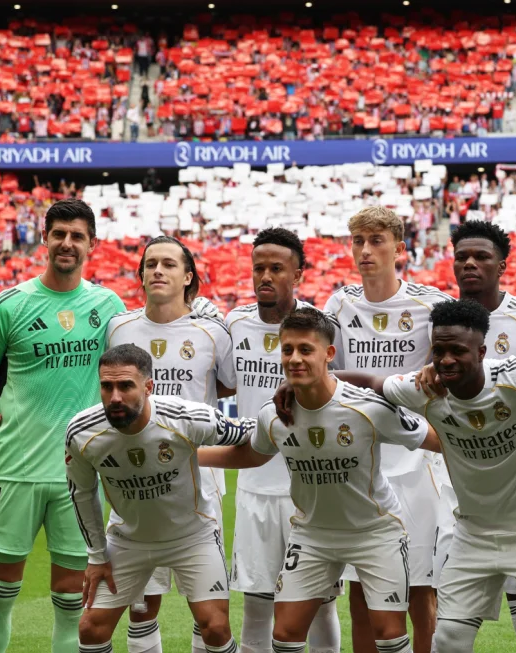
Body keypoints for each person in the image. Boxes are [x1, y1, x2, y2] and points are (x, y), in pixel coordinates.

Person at [313, 299, 516, 653]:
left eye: (458, 351)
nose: (447, 359)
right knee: (448, 640)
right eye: (439, 350)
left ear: (482, 351)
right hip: (474, 536)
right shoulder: (426, 389)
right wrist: (309, 383)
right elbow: (372, 381)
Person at [200, 308, 442, 653]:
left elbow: (434, 440)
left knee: (388, 635)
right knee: (285, 634)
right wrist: (191, 456)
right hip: (312, 534)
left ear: (329, 354)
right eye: (287, 350)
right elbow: (252, 455)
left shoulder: (369, 408)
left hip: (374, 532)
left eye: (305, 350)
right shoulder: (275, 414)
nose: (294, 359)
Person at [0, 199, 127, 653]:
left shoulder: (109, 306)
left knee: (72, 604)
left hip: (79, 477)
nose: (67, 243)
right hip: (15, 472)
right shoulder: (8, 306)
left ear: (92, 244)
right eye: (59, 234)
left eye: (77, 236)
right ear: (45, 239)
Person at [322, 207, 454, 653]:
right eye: (357, 240)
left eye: (376, 240)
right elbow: (327, 373)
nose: (364, 250)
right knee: (362, 587)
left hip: (417, 460)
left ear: (399, 249)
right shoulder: (339, 304)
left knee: (420, 587)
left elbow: (448, 371)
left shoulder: (430, 304)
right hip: (358, 460)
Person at [65, 344, 255, 653]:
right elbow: (81, 493)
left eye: (126, 386)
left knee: (216, 628)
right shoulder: (82, 432)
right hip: (128, 541)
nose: (115, 397)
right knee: (90, 628)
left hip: (192, 537)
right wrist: (97, 556)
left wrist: (287, 415)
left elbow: (246, 432)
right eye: (106, 386)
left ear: (148, 387)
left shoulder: (184, 416)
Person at [105, 236, 234, 653]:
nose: (157, 270)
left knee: (208, 613)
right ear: (141, 275)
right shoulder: (119, 327)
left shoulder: (213, 332)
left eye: (168, 264)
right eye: (150, 264)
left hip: (198, 479)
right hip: (136, 478)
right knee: (142, 607)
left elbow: (229, 386)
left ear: (188, 277)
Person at [223, 228, 342, 653]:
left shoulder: (320, 326)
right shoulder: (234, 324)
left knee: (320, 604)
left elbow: (340, 389)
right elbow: (216, 384)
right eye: (259, 268)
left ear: (299, 273)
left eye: (277, 268)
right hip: (255, 486)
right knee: (257, 604)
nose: (265, 276)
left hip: (312, 487)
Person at [448, 221, 516, 653]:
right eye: (462, 257)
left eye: (481, 257)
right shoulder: (441, 320)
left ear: (502, 266)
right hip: (454, 489)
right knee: (453, 625)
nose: (470, 264)